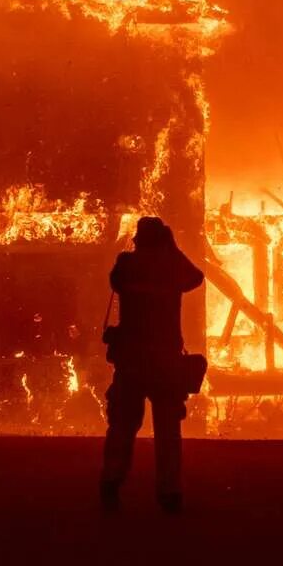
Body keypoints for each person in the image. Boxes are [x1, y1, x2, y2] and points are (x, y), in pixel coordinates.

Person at [100, 215, 204, 514]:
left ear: (139, 240)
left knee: (121, 425)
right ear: (164, 240)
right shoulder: (171, 265)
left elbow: (115, 282)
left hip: (131, 358)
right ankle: (169, 493)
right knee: (168, 429)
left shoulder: (126, 265)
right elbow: (195, 277)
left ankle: (111, 483)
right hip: (164, 358)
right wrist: (171, 248)